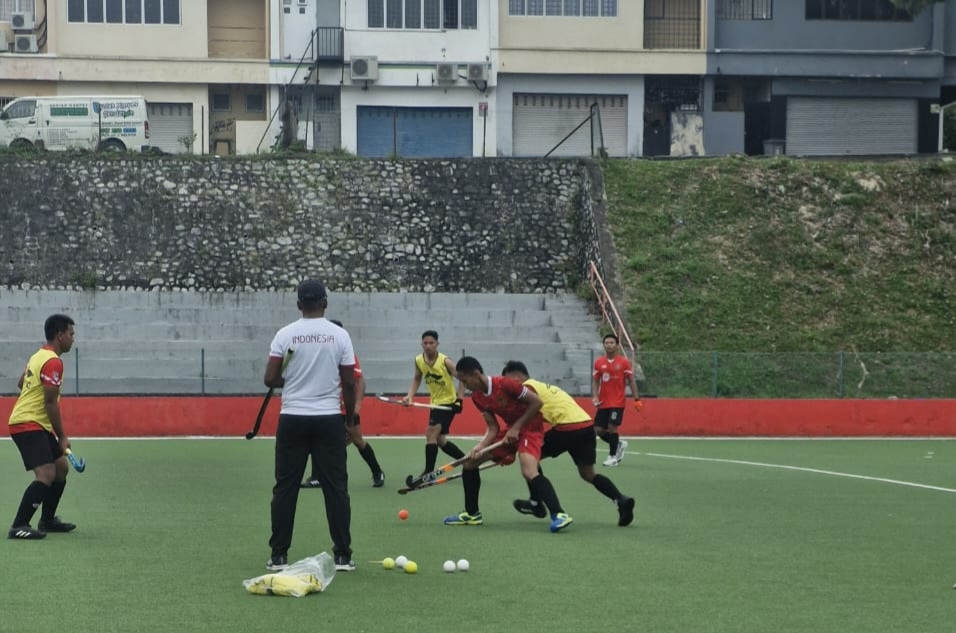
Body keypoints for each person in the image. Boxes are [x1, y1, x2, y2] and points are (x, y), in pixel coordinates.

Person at [264, 280, 356, 572]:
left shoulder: (285, 334)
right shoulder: (339, 335)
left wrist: (292, 379)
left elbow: (270, 379)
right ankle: (342, 555)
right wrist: (351, 418)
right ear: (325, 303)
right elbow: (349, 380)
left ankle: (279, 555)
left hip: (292, 418)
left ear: (298, 305)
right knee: (336, 488)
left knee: (286, 488)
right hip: (328, 418)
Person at [447, 356, 573, 533]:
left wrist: (517, 427)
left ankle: (559, 514)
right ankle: (472, 514)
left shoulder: (505, 384)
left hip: (530, 429)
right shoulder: (477, 397)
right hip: (509, 432)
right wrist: (480, 446)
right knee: (470, 463)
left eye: (464, 380)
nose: (464, 386)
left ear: (476, 374)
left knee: (529, 470)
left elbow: (537, 402)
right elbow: (493, 427)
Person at [502, 360, 635, 527]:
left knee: (530, 457)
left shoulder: (527, 388)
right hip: (586, 426)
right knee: (588, 474)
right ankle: (620, 499)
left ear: (517, 377)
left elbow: (527, 418)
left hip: (567, 428)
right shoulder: (542, 385)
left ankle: (536, 504)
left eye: (508, 381)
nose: (508, 387)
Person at [8, 314, 78, 540]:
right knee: (47, 473)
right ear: (60, 335)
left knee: (61, 468)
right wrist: (63, 437)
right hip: (27, 423)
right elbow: (50, 402)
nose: (73, 338)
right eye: (71, 333)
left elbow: (22, 383)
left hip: (35, 422)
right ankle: (19, 525)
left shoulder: (39, 355)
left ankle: (47, 520)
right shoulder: (53, 361)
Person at [301, 320, 384, 489]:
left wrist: (356, 407)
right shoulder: (320, 352)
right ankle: (317, 477)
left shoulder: (348, 354)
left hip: (345, 408)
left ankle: (377, 471)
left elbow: (359, 381)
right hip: (325, 407)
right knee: (318, 441)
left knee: (357, 440)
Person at [401, 330, 466, 487]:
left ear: (437, 344)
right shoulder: (419, 360)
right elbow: (417, 378)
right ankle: (468, 460)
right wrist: (409, 396)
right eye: (425, 343)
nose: (428, 346)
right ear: (421, 344)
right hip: (435, 403)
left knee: (430, 432)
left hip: (448, 403)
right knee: (440, 439)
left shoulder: (445, 361)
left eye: (431, 343)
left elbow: (463, 378)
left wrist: (460, 400)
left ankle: (428, 473)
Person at [591, 334, 641, 466]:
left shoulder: (624, 362)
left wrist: (637, 399)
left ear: (617, 345)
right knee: (598, 430)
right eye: (606, 343)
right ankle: (618, 443)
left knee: (612, 427)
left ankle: (612, 457)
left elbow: (631, 380)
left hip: (617, 402)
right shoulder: (598, 362)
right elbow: (596, 381)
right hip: (603, 402)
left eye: (611, 343)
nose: (609, 345)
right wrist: (595, 396)